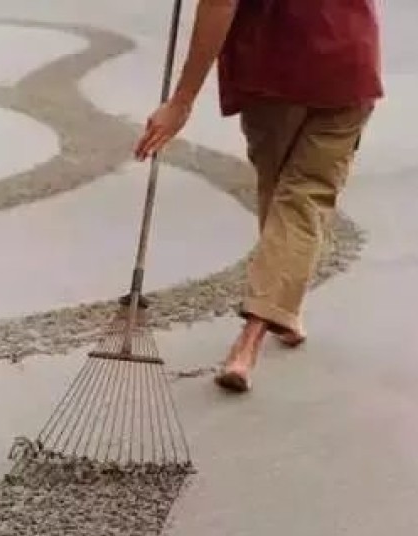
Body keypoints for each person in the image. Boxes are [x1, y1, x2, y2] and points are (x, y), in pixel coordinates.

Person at [135, 0, 383, 392]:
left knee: (295, 195)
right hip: (349, 59)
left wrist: (182, 101)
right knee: (296, 195)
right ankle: (283, 306)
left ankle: (250, 338)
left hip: (275, 70)